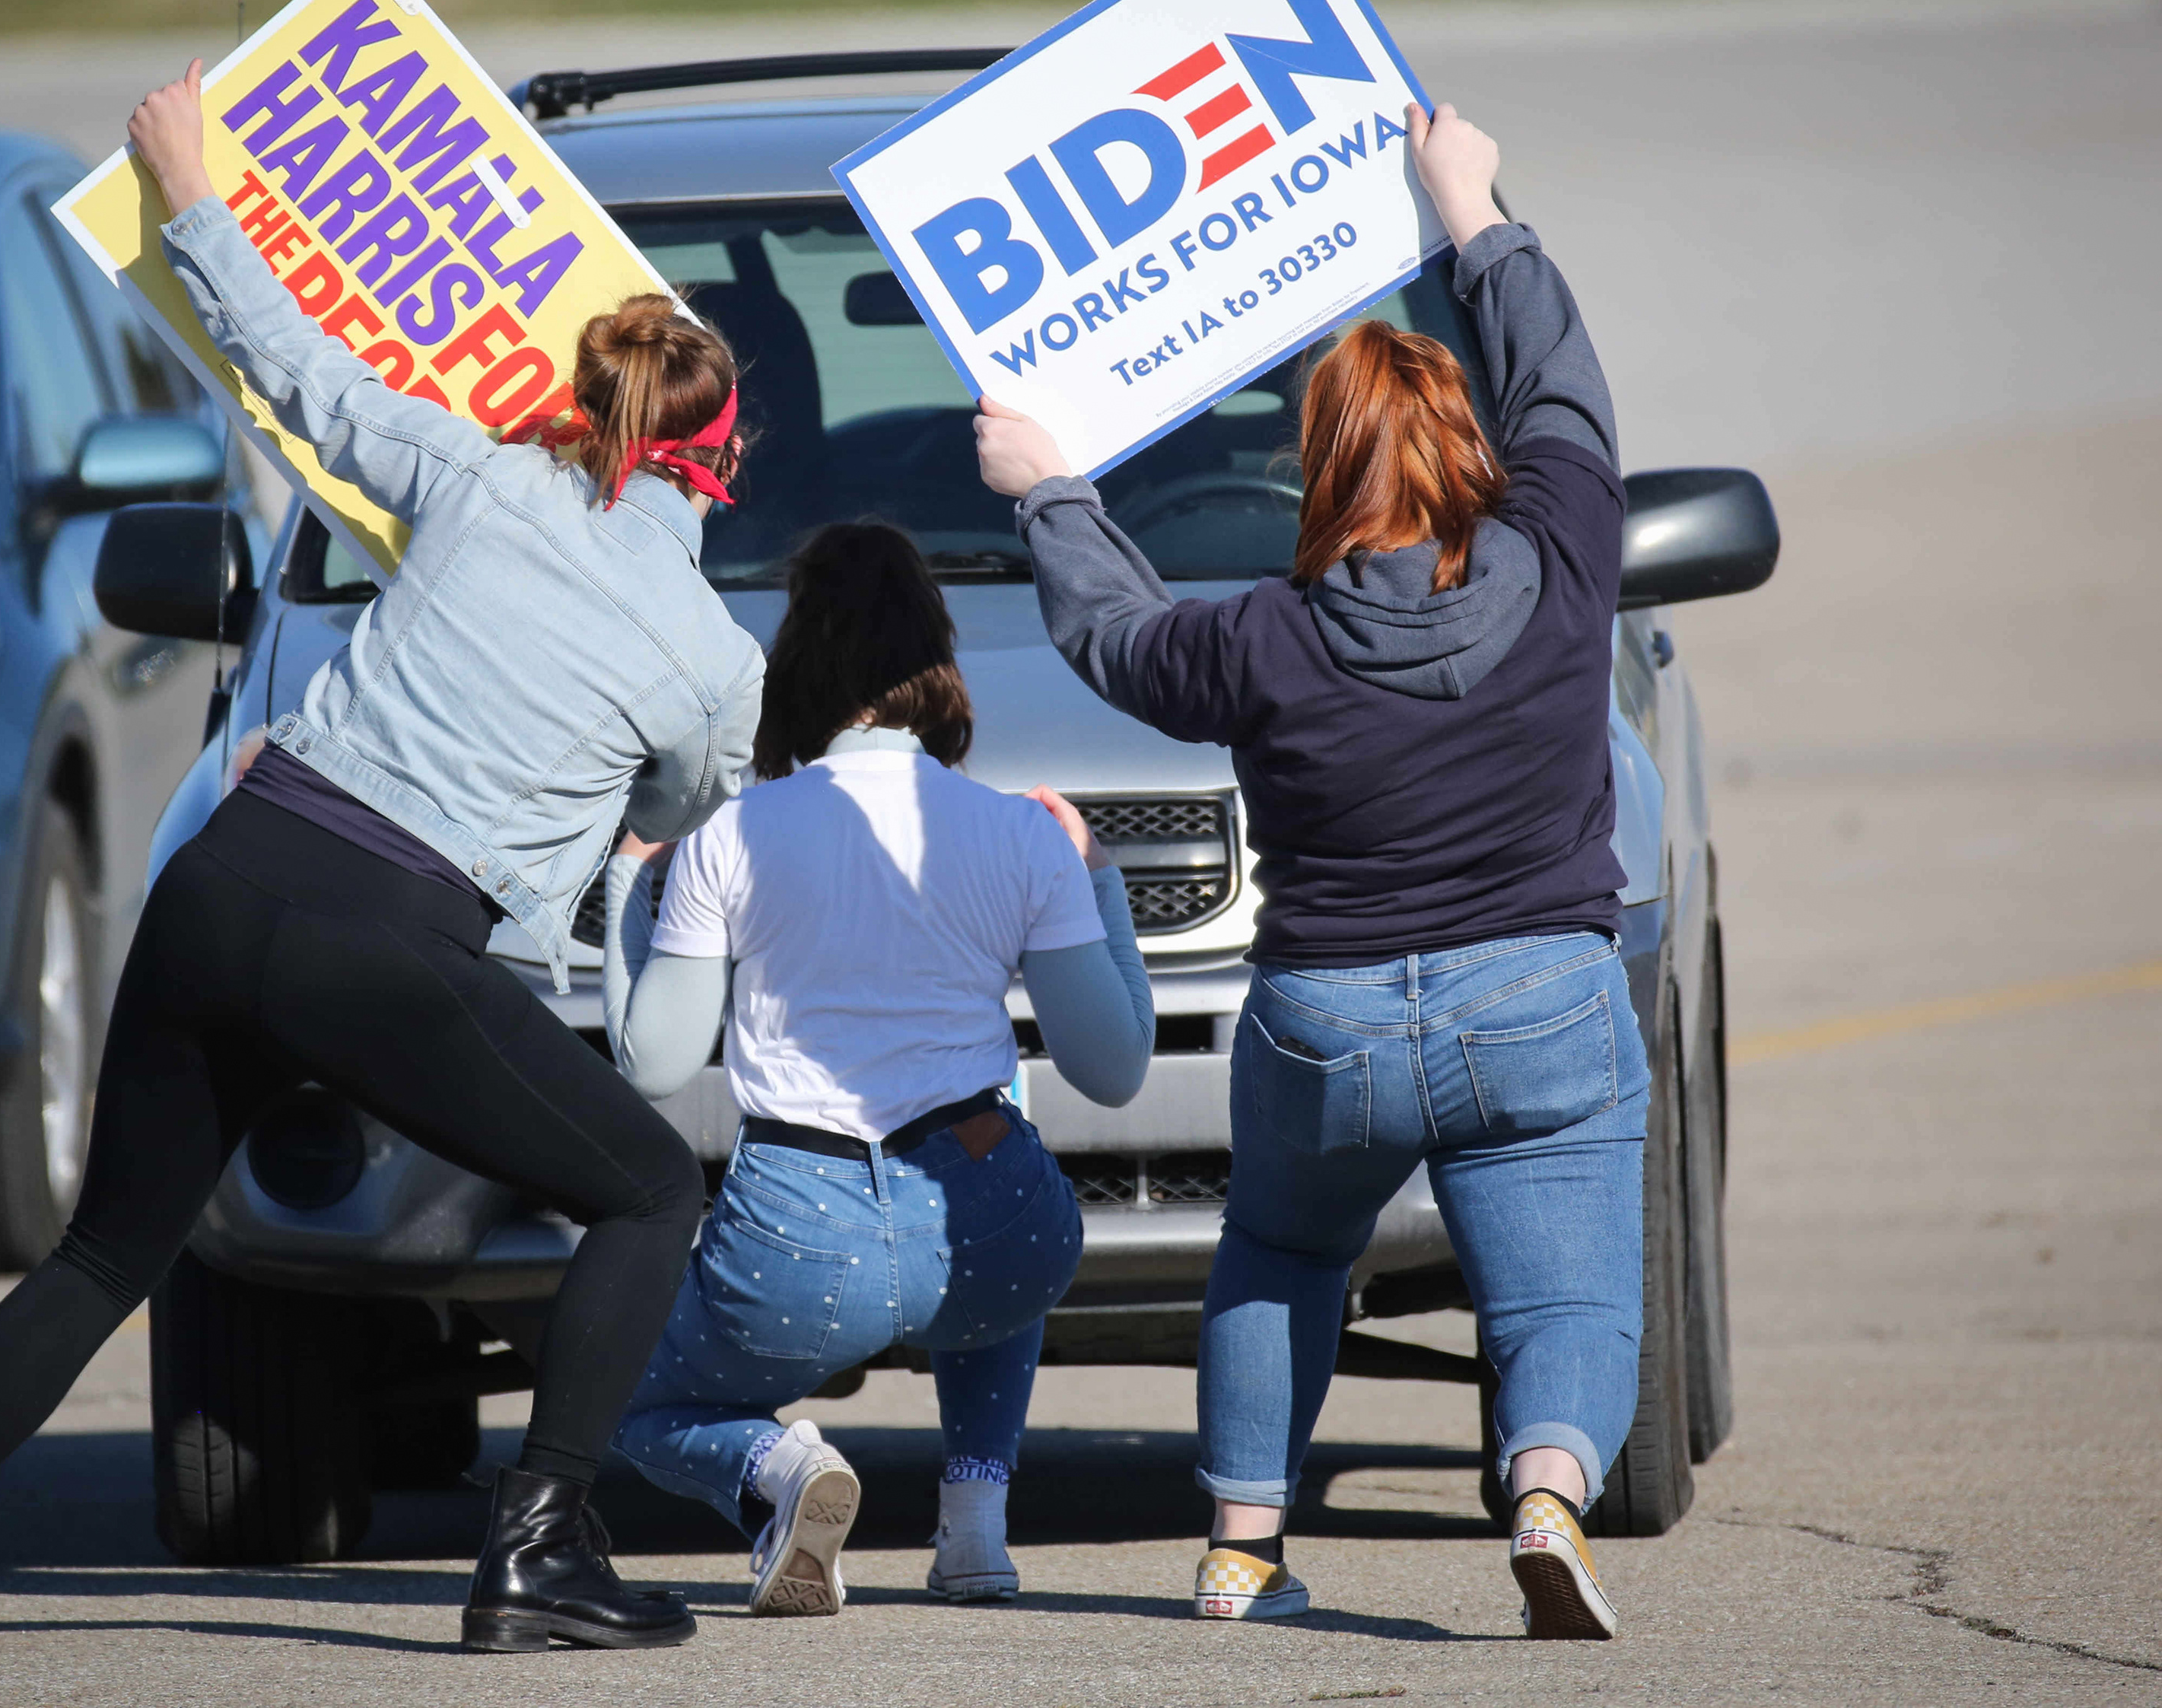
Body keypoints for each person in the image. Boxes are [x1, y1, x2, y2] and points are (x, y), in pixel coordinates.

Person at [0, 62, 766, 1665]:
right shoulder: (712, 655)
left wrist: (191, 184)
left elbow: (290, 364)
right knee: (650, 1186)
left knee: (107, 1251)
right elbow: (679, 807)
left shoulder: (473, 474)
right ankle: (535, 1546)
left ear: (580, 410)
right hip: (383, 944)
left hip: (226, 886)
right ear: (718, 470)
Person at [971, 101, 1644, 1640]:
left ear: (1320, 465)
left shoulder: (1265, 640)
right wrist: (1472, 210)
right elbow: (1571, 395)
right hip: (1541, 997)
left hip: (1323, 1025)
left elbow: (1114, 638)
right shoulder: (1561, 561)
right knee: (1563, 1289)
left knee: (1281, 1251)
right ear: (1468, 450)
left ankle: (1242, 1548)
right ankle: (1544, 1493)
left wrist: (1050, 487)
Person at [595, 520, 1153, 1614]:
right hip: (990, 1222)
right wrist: (1102, 881)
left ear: (798, 663)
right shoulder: (1018, 833)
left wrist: (628, 884)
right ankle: (977, 1518)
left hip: (796, 1246)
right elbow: (1114, 1067)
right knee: (1001, 1188)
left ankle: (778, 1469)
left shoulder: (731, 834)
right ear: (934, 657)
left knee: (620, 1394)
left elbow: (652, 1065)